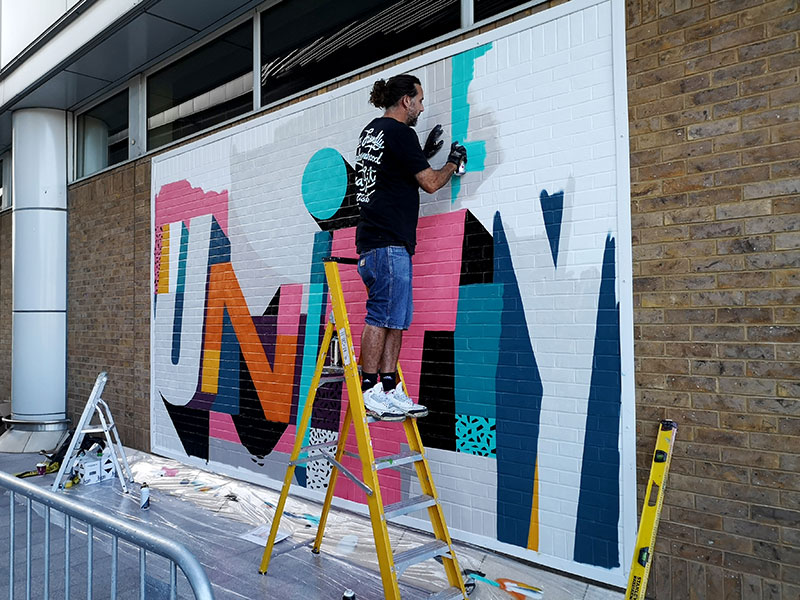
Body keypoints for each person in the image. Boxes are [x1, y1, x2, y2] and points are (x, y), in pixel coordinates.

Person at [354, 73, 467, 421]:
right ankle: (369, 389)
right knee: (382, 316)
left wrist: (420, 152)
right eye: (419, 100)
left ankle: (389, 388)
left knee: (397, 319)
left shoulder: (371, 132)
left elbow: (391, 171)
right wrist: (452, 162)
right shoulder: (401, 133)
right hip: (387, 241)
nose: (421, 107)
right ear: (405, 101)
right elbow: (431, 183)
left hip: (379, 242)